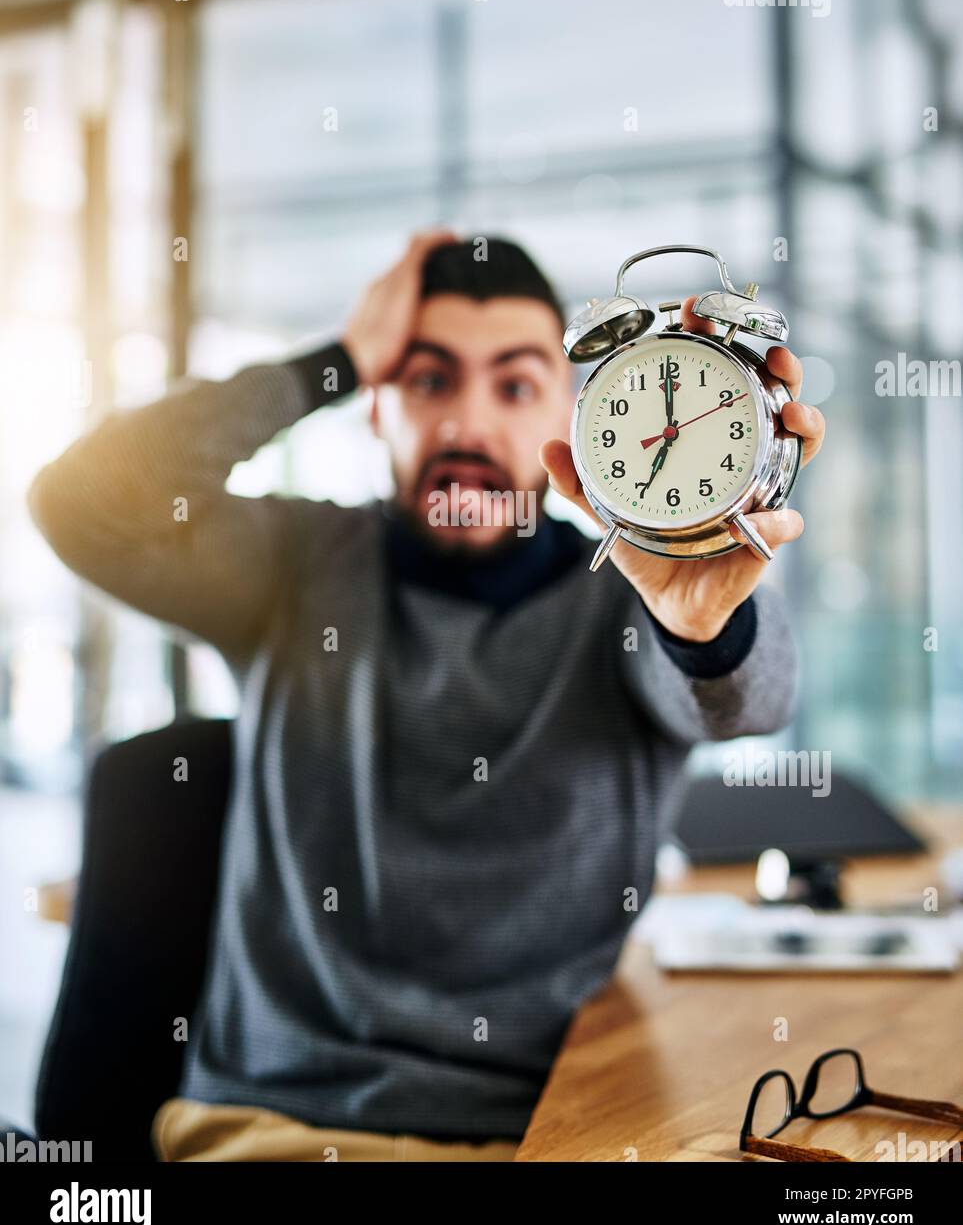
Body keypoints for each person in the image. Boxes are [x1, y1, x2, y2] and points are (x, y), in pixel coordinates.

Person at [27, 231, 826, 1162]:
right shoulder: (288, 572)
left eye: (514, 386)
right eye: (426, 380)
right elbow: (80, 502)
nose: (466, 426)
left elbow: (743, 698)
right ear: (374, 408)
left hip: (546, 1140)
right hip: (273, 1134)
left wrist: (700, 618)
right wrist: (335, 361)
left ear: (572, 414)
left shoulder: (625, 606)